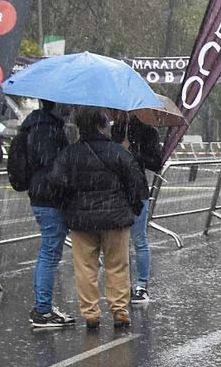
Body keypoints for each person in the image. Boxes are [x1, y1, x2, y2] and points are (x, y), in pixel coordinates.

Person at [47, 106, 147, 331]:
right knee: (117, 265)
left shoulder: (69, 154)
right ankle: (119, 310)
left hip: (81, 220)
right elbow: (136, 183)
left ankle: (91, 313)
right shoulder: (118, 152)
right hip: (116, 218)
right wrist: (132, 207)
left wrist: (69, 205)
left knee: (85, 267)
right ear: (102, 126)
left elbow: (56, 183)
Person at [17, 100, 77, 329]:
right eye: (67, 103)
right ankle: (42, 310)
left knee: (49, 252)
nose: (71, 106)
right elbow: (53, 166)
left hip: (43, 194)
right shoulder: (46, 128)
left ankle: (42, 307)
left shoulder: (40, 124)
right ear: (56, 104)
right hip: (49, 197)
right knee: (50, 253)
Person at [112, 111, 164, 303]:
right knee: (119, 242)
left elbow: (156, 163)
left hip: (138, 191)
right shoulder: (114, 130)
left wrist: (134, 152)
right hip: (116, 191)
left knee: (139, 240)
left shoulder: (148, 132)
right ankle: (123, 284)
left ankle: (142, 285)